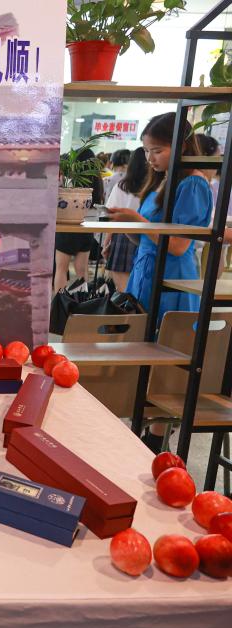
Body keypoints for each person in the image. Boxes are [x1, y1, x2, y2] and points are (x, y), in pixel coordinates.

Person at [106, 112, 213, 452]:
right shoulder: (163, 180)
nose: (150, 158)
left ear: (181, 147)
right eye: (147, 151)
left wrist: (137, 220)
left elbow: (178, 245)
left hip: (172, 281)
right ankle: (144, 430)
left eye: (157, 150)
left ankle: (154, 437)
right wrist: (129, 226)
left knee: (164, 358)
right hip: (146, 274)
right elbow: (148, 239)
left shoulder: (192, 184)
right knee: (142, 352)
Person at [55, 147, 104, 293]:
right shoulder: (97, 183)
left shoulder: (70, 182)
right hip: (86, 228)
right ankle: (82, 301)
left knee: (61, 269)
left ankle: (59, 301)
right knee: (82, 270)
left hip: (67, 227)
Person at [103, 147, 148, 291]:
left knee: (122, 290)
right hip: (148, 236)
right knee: (140, 287)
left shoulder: (121, 186)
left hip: (122, 236)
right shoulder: (155, 187)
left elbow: (112, 215)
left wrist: (107, 242)